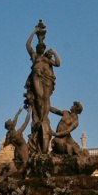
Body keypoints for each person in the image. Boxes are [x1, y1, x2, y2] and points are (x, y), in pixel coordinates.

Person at [24, 21, 61, 153]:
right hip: (36, 76)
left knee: (45, 100)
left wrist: (54, 52)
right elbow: (27, 45)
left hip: (46, 80)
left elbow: (58, 63)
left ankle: (43, 119)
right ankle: (40, 119)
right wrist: (35, 31)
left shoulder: (46, 59)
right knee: (39, 97)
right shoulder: (34, 56)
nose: (41, 47)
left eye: (43, 47)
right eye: (39, 46)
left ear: (44, 49)